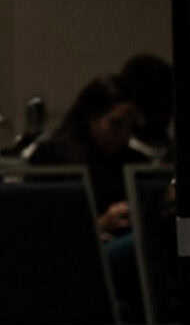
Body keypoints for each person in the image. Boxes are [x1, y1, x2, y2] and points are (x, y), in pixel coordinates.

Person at [24, 75, 148, 236]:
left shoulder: (133, 161)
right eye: (116, 124)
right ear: (91, 117)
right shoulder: (51, 157)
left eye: (130, 126)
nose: (124, 135)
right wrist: (100, 224)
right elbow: (38, 225)